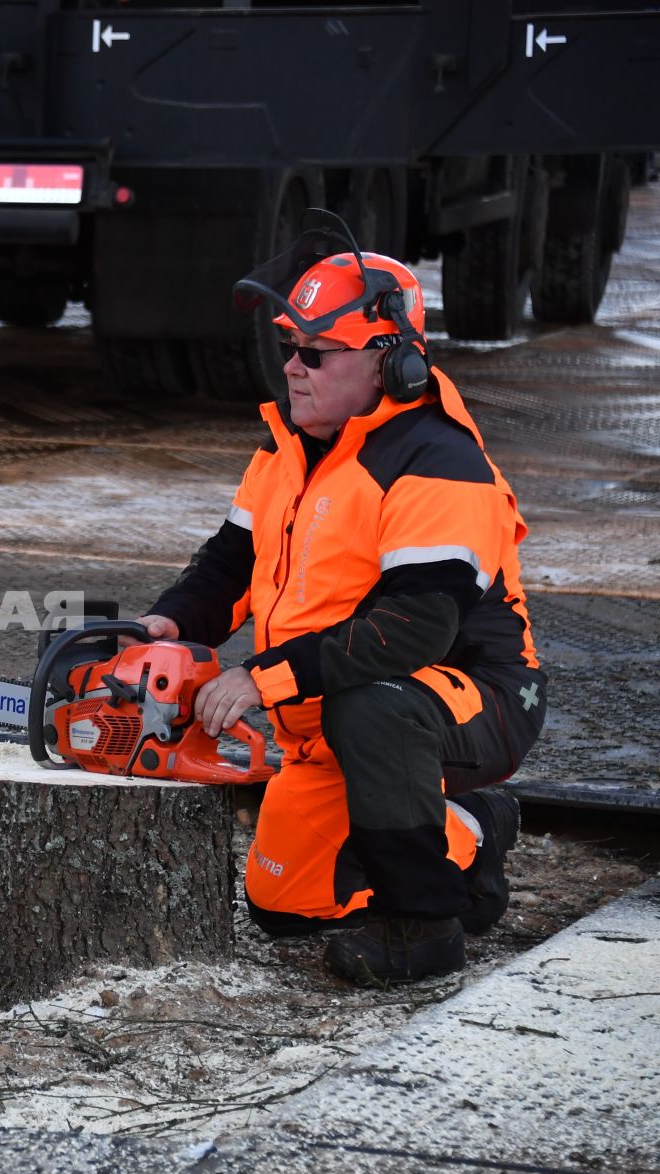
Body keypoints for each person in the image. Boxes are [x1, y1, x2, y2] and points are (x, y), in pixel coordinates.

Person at [137, 218, 546, 984]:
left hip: (473, 696)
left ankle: (423, 925)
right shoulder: (289, 444)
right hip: (338, 712)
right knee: (285, 902)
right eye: (290, 347)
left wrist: (261, 678)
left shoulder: (436, 461)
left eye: (316, 354)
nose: (293, 367)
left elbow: (414, 629)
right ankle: (468, 836)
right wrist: (168, 623)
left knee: (378, 706)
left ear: (390, 363)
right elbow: (230, 565)